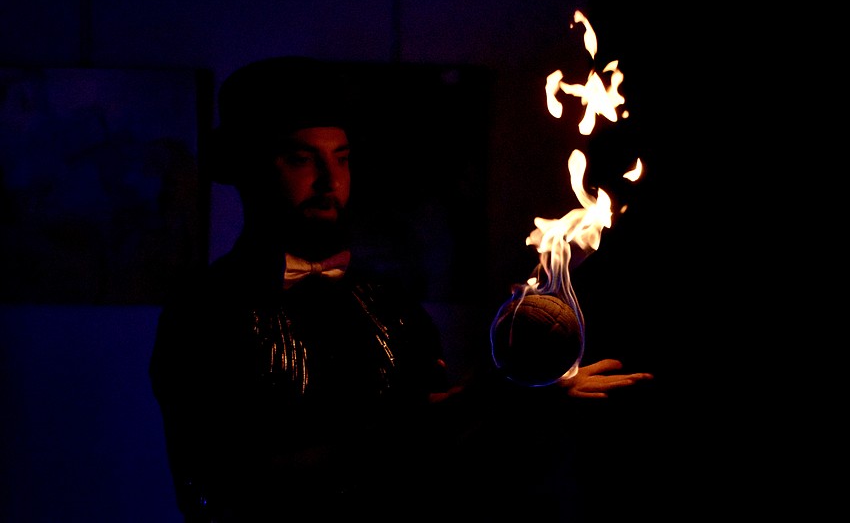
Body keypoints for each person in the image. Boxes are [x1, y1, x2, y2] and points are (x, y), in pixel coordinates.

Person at [149, 55, 654, 522]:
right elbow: (229, 481)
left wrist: (518, 401)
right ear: (248, 168)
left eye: (342, 158)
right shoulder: (203, 313)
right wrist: (473, 402)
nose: (331, 180)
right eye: (302, 159)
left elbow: (442, 461)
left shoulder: (389, 305)